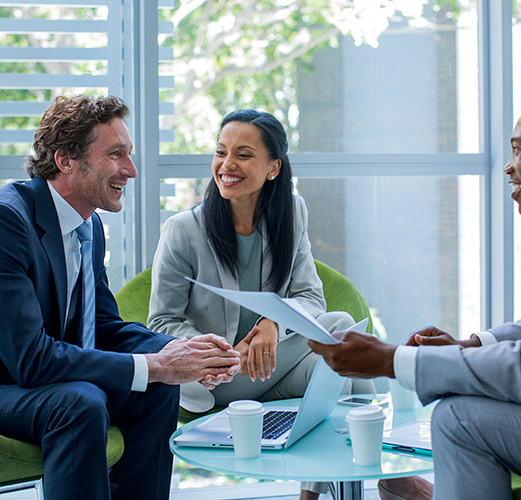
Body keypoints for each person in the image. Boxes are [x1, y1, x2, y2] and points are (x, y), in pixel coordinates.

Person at [308, 94, 521, 500]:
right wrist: (473, 344)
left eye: (518, 150)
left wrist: (389, 360)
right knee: (462, 401)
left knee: (460, 418)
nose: (508, 167)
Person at [0, 95, 241, 500]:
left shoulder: (89, 226)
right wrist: (154, 365)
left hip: (42, 378)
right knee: (80, 402)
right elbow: (29, 361)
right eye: (116, 154)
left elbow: (104, 326)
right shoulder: (2, 222)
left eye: (130, 154)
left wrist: (180, 352)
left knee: (157, 389)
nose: (132, 170)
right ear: (66, 159)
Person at [148, 109, 374, 500]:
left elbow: (309, 296)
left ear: (273, 168)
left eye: (244, 154)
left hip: (273, 371)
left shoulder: (292, 212)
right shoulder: (183, 230)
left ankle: (313, 495)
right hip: (219, 380)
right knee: (340, 327)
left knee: (339, 369)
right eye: (221, 152)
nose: (227, 165)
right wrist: (216, 350)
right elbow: (161, 323)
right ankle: (393, 483)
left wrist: (273, 322)